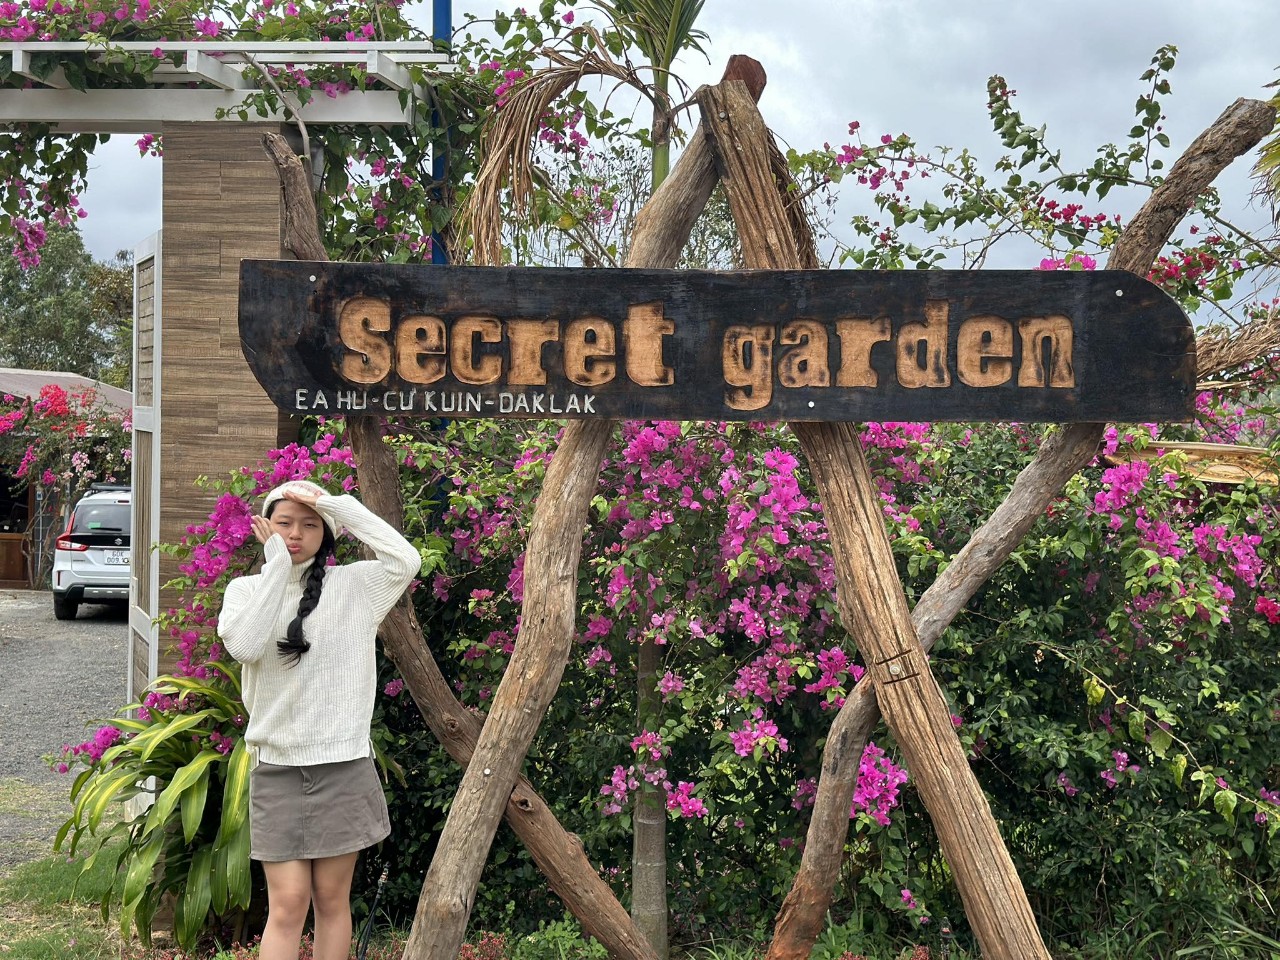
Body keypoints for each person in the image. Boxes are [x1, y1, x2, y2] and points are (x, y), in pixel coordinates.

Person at [218, 479, 420, 960]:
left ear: (326, 535)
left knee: (332, 900)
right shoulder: (245, 590)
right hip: (277, 769)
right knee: (288, 904)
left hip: (342, 764)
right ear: (264, 526)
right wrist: (276, 568)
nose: (295, 534)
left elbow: (406, 559)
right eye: (284, 522)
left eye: (310, 525)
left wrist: (334, 505)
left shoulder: (355, 587)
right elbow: (245, 646)